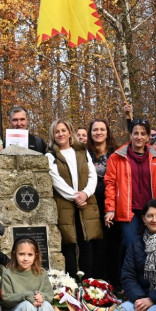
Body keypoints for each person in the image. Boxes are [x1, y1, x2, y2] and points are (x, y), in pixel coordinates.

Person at [104, 118, 156, 271]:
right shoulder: (117, 157)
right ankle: (129, 281)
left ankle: (151, 280)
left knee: (152, 245)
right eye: (135, 133)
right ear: (130, 135)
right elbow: (110, 183)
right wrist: (110, 208)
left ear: (148, 137)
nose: (139, 137)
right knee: (132, 245)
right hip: (128, 210)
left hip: (151, 210)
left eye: (143, 134)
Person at [48, 118, 102, 277]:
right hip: (66, 205)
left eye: (63, 130)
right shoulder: (51, 155)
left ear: (69, 132)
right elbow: (56, 180)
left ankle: (89, 282)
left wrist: (85, 193)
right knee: (69, 244)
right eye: (57, 131)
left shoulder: (82, 151)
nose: (60, 134)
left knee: (87, 242)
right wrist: (75, 197)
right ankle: (72, 282)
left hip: (87, 202)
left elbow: (93, 175)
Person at [88, 119, 120, 280]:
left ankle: (114, 282)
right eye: (95, 130)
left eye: (102, 129)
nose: (98, 132)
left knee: (113, 243)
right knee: (96, 244)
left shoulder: (116, 153)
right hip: (91, 205)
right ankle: (97, 281)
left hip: (112, 204)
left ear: (107, 132)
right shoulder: (86, 154)